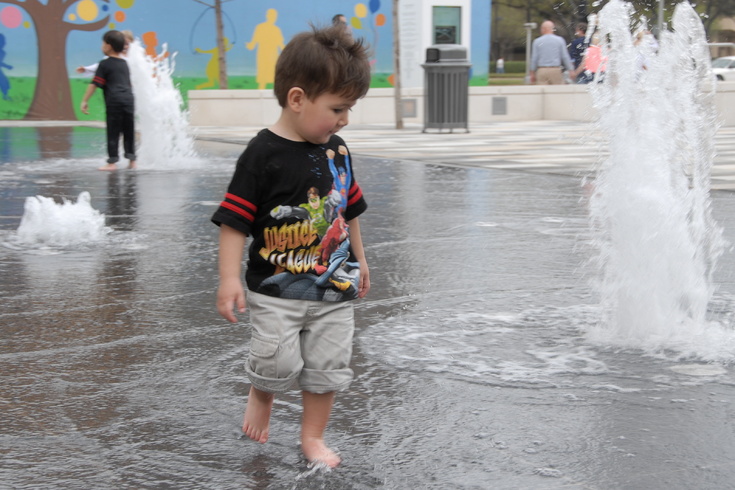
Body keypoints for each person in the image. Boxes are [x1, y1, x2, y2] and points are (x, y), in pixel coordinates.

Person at [211, 24, 371, 468]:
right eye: (338, 108)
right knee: (277, 363)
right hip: (275, 290)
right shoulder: (262, 155)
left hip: (334, 286)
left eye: (349, 109)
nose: (344, 120)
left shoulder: (337, 151)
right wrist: (228, 280)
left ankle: (312, 437)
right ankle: (262, 394)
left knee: (327, 368)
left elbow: (349, 210)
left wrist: (360, 260)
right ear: (297, 99)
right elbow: (233, 222)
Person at [80, 30, 136, 171]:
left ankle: (112, 163)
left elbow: (94, 84)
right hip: (129, 100)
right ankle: (132, 161)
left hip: (115, 102)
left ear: (108, 46)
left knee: (113, 131)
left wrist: (84, 101)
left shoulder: (104, 64)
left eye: (103, 43)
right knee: (129, 131)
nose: (102, 46)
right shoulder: (124, 63)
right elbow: (129, 84)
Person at [530, 20, 574, 85]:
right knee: (557, 92)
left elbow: (534, 58)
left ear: (543, 29)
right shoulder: (560, 40)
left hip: (542, 70)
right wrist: (571, 69)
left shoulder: (537, 41)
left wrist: (532, 73)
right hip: (555, 69)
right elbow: (564, 56)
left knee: (542, 93)